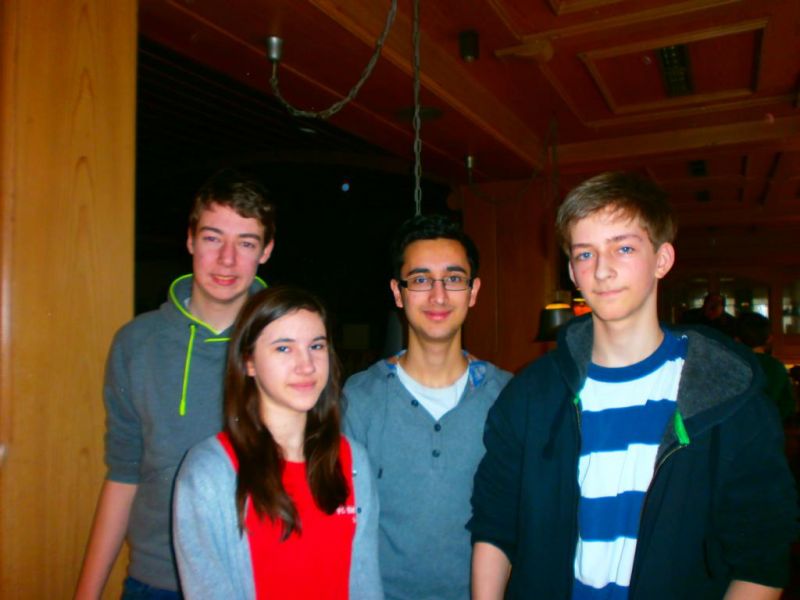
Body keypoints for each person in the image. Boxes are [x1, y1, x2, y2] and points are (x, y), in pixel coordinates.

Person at [469, 172, 797, 600]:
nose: (602, 270)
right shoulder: (531, 393)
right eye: (585, 254)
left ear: (662, 259)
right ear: (572, 272)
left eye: (623, 248)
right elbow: (495, 522)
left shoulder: (728, 396)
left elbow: (761, 560)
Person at [75, 169, 276, 599]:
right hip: (155, 582)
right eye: (212, 238)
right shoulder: (137, 343)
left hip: (259, 580)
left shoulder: (289, 343)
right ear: (190, 240)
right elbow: (124, 474)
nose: (227, 259)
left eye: (246, 243)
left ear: (266, 251)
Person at [173, 286, 382, 599]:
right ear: (249, 361)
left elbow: (365, 584)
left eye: (316, 346)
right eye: (284, 348)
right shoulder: (210, 471)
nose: (306, 365)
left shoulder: (353, 461)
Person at [344, 214, 511, 600]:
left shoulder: (508, 397)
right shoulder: (359, 399)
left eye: (453, 279)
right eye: (420, 280)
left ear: (473, 291)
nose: (438, 296)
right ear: (398, 292)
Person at [737, 311, 796, 422]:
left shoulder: (732, 363)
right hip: (768, 424)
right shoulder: (776, 366)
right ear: (769, 338)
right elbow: (787, 405)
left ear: (737, 339)